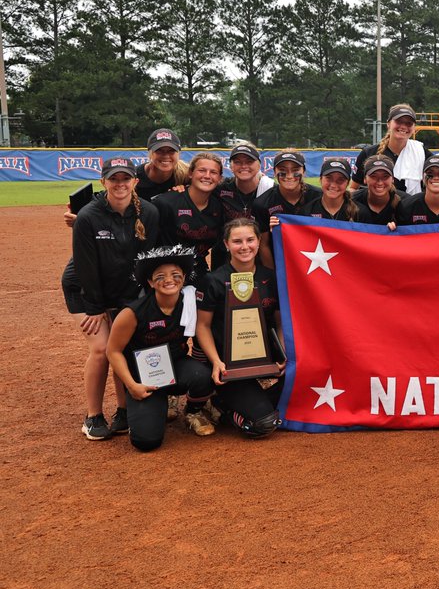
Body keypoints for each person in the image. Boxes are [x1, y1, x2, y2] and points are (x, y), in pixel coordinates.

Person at [62, 157, 161, 440]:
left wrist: (141, 298)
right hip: (84, 288)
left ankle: (123, 411)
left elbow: (147, 259)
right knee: (102, 348)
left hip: (124, 289)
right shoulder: (89, 217)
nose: (120, 184)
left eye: (125, 178)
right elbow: (85, 266)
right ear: (104, 181)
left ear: (135, 182)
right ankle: (92, 416)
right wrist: (95, 307)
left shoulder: (149, 213)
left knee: (123, 345)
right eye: (114, 179)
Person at [106, 245, 217, 450]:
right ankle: (156, 407)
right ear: (150, 282)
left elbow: (203, 328)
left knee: (203, 375)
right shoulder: (133, 312)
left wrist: (217, 362)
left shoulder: (190, 302)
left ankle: (192, 411)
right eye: (160, 276)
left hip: (176, 364)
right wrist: (132, 385)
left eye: (176, 274)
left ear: (184, 277)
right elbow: (112, 351)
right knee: (146, 441)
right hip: (143, 375)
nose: (169, 280)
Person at [194, 220, 285, 439]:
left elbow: (279, 321)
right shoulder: (213, 280)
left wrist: (283, 354)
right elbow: (202, 326)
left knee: (307, 377)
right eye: (237, 241)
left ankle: (250, 399)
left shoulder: (271, 278)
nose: (244, 246)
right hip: (229, 365)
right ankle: (223, 406)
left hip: (263, 358)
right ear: (226, 245)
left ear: (258, 241)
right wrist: (216, 362)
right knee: (262, 424)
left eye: (250, 240)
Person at [62, 127, 186, 228]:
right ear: (150, 153)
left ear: (178, 153)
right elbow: (108, 196)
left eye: (171, 151)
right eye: (159, 151)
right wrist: (82, 214)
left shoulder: (186, 176)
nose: (166, 156)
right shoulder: (133, 176)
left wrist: (186, 190)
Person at [153, 150, 225, 282]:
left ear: (220, 178)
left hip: (199, 270)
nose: (207, 176)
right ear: (191, 173)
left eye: (213, 172)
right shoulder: (166, 203)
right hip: (167, 274)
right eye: (202, 170)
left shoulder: (220, 206)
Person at [251, 149, 319, 268]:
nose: (289, 176)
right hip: (282, 265)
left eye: (295, 170)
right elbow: (264, 245)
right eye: (282, 171)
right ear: (274, 172)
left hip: (317, 261)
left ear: (304, 171)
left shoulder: (319, 196)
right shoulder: (262, 203)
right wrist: (274, 276)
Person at [212, 142, 274, 268]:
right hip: (224, 261)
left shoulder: (271, 191)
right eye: (238, 162)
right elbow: (195, 187)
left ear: (259, 164)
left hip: (260, 263)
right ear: (231, 166)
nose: (243, 166)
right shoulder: (219, 189)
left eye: (249, 161)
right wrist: (179, 188)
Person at [352, 103, 427, 194]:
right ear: (388, 124)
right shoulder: (369, 153)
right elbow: (353, 189)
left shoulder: (421, 152)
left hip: (411, 207)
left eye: (409, 123)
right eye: (399, 121)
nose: (403, 126)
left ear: (414, 128)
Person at [352, 155, 405, 226]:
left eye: (385, 176)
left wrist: (398, 229)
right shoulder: (352, 201)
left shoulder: (405, 203)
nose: (380, 182)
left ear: (392, 179)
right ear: (365, 179)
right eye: (373, 176)